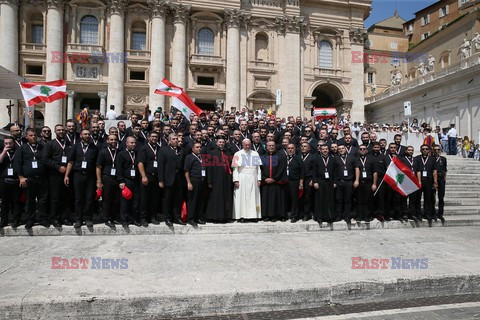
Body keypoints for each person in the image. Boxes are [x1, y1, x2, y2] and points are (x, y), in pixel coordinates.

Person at [14, 128, 49, 229]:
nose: (33, 137)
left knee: (43, 200)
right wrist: (21, 177)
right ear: (26, 137)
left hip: (42, 178)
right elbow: (18, 163)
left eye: (34, 135)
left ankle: (42, 218)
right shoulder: (22, 148)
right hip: (29, 179)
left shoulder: (43, 147)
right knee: (30, 200)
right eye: (31, 135)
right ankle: (30, 219)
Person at [64, 129, 99, 228]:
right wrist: (66, 175)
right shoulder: (75, 147)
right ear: (81, 136)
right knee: (78, 198)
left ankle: (88, 218)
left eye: (88, 134)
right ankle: (78, 219)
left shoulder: (94, 148)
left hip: (90, 176)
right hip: (78, 175)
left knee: (89, 198)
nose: (87, 135)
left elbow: (97, 165)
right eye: (85, 134)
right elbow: (71, 161)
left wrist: (98, 179)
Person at [43, 124, 71, 228]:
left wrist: (67, 170)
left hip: (67, 174)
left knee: (66, 197)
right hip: (55, 174)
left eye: (63, 130)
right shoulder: (50, 144)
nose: (61, 132)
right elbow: (45, 159)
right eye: (59, 130)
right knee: (55, 197)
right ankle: (55, 218)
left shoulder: (70, 144)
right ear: (55, 132)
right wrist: (58, 167)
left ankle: (65, 217)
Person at [158, 133, 185, 226]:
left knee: (178, 199)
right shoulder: (163, 150)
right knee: (168, 199)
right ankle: (167, 218)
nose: (176, 140)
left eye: (177, 139)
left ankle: (177, 217)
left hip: (179, 178)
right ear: (169, 140)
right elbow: (160, 166)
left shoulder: (181, 150)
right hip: (168, 178)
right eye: (174, 139)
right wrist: (161, 180)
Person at [232, 139, 262, 221]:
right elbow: (235, 169)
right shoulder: (237, 154)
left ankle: (254, 216)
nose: (247, 146)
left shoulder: (255, 153)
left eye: (249, 145)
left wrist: (259, 179)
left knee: (254, 197)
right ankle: (242, 216)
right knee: (242, 198)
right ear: (242, 145)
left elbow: (258, 168)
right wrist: (236, 180)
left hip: (253, 177)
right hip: (242, 177)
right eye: (246, 145)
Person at [205, 137, 233, 223]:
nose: (221, 144)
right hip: (215, 179)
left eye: (223, 142)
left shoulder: (228, 153)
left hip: (226, 179)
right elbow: (208, 168)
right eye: (220, 142)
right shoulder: (211, 153)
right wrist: (209, 181)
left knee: (225, 198)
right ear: (216, 143)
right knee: (216, 198)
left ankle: (224, 216)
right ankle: (215, 217)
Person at [96, 134, 120, 228]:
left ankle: (114, 217)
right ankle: (107, 219)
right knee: (107, 199)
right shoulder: (103, 152)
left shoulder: (119, 152)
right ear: (107, 141)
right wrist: (99, 181)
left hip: (117, 178)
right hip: (107, 178)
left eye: (115, 140)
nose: (113, 141)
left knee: (116, 199)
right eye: (111, 140)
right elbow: (98, 167)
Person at [260, 141, 288, 222]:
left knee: (278, 199)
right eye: (269, 146)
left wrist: (274, 178)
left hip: (277, 182)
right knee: (266, 200)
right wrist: (264, 178)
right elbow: (259, 169)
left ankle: (278, 215)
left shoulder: (281, 156)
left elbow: (282, 169)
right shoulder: (262, 157)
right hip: (265, 182)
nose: (271, 147)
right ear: (266, 147)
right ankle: (266, 215)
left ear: (275, 146)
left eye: (273, 145)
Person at [138, 132, 162, 226]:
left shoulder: (160, 148)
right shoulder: (143, 148)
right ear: (148, 137)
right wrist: (144, 176)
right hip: (147, 176)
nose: (154, 138)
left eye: (156, 137)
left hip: (156, 177)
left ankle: (153, 216)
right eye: (152, 136)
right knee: (144, 198)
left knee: (154, 198)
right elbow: (140, 163)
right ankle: (143, 218)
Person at [116, 136, 140, 228]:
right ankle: (124, 219)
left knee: (135, 201)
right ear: (126, 143)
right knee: (125, 201)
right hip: (126, 180)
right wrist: (121, 181)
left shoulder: (137, 153)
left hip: (136, 180)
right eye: (131, 143)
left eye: (134, 143)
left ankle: (133, 219)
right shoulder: (121, 154)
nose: (133, 144)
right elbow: (119, 168)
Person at [333, 144, 359, 228]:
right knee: (338, 199)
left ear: (345, 149)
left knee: (348, 199)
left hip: (349, 182)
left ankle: (347, 216)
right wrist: (334, 182)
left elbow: (356, 169)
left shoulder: (352, 157)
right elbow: (333, 171)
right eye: (339, 149)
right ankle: (338, 215)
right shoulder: (335, 158)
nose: (341, 150)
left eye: (342, 148)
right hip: (339, 182)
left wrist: (356, 180)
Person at [414, 144, 438, 227]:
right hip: (419, 180)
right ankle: (418, 213)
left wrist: (435, 182)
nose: (424, 150)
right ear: (420, 150)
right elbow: (418, 170)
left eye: (426, 149)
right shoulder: (417, 158)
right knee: (418, 197)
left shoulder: (432, 159)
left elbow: (434, 171)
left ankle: (427, 213)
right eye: (423, 149)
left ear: (429, 150)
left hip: (429, 180)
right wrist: (419, 181)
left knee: (428, 197)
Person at [0, 137, 22, 228]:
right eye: (6, 143)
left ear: (14, 143)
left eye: (10, 143)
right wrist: (4, 152)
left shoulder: (19, 151)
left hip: (16, 179)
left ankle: (16, 220)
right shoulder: (2, 152)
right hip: (4, 180)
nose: (8, 145)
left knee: (16, 201)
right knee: (4, 202)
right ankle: (4, 220)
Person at [184, 142, 207, 226]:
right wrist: (189, 182)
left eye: (200, 147)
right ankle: (191, 218)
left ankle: (198, 217)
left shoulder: (202, 157)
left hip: (202, 181)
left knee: (200, 200)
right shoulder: (189, 157)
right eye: (197, 147)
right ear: (193, 149)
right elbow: (186, 171)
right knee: (193, 200)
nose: (199, 148)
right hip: (194, 180)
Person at [312, 144, 336, 224]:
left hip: (330, 182)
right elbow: (314, 172)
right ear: (320, 150)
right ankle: (319, 217)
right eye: (323, 149)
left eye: (326, 149)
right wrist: (315, 182)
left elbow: (335, 172)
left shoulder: (332, 159)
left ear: (328, 150)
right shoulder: (316, 159)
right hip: (320, 182)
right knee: (319, 200)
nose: (325, 150)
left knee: (329, 200)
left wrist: (335, 182)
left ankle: (329, 216)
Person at [354, 145, 377, 222]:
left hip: (368, 182)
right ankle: (360, 216)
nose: (362, 150)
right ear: (358, 150)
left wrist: (374, 184)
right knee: (359, 200)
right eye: (361, 149)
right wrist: (356, 180)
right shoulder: (356, 159)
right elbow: (357, 169)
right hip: (360, 182)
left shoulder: (372, 159)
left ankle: (367, 216)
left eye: (364, 149)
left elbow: (375, 172)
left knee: (368, 200)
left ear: (367, 150)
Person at [285, 143, 304, 223]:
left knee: (294, 199)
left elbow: (302, 171)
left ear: (295, 149)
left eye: (292, 148)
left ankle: (294, 216)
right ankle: (284, 215)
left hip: (294, 182)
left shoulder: (298, 158)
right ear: (286, 149)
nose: (290, 149)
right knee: (285, 198)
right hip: (285, 181)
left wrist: (301, 183)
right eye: (288, 148)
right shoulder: (284, 158)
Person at [432, 146, 447, 225]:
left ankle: (440, 213)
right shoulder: (431, 158)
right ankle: (433, 213)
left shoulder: (443, 159)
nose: (436, 151)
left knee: (441, 197)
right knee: (432, 197)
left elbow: (445, 170)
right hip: (433, 179)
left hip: (441, 179)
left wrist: (444, 179)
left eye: (438, 150)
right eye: (435, 150)